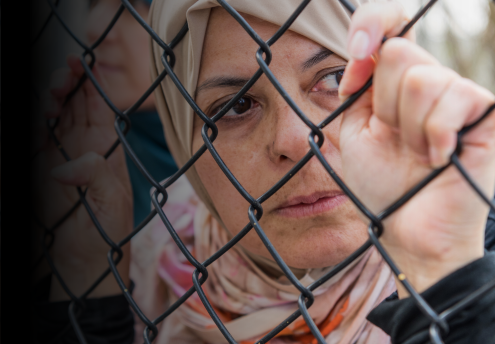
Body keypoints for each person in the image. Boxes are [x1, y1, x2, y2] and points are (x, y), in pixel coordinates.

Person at [34, 0, 495, 343]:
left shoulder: (476, 250)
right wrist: (86, 276)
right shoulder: (156, 263)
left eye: (335, 79)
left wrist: (445, 279)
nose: (296, 140)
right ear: (183, 138)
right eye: (236, 106)